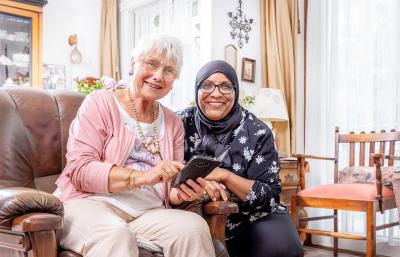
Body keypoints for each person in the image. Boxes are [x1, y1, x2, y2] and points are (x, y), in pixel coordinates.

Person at [54, 35, 215, 257]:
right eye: (151, 63)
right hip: (89, 203)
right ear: (133, 64)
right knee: (115, 234)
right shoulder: (99, 102)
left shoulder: (173, 122)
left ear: (174, 79)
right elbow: (79, 170)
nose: (158, 76)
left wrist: (185, 192)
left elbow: (171, 192)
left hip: (147, 213)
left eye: (168, 70)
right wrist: (144, 177)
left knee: (193, 228)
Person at [177, 60, 304, 257]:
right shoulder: (180, 122)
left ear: (235, 92)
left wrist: (223, 176)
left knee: (281, 250)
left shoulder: (258, 131)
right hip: (193, 213)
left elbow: (269, 197)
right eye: (207, 85)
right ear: (197, 89)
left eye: (226, 86)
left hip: (252, 216)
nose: (216, 93)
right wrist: (201, 182)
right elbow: (164, 168)